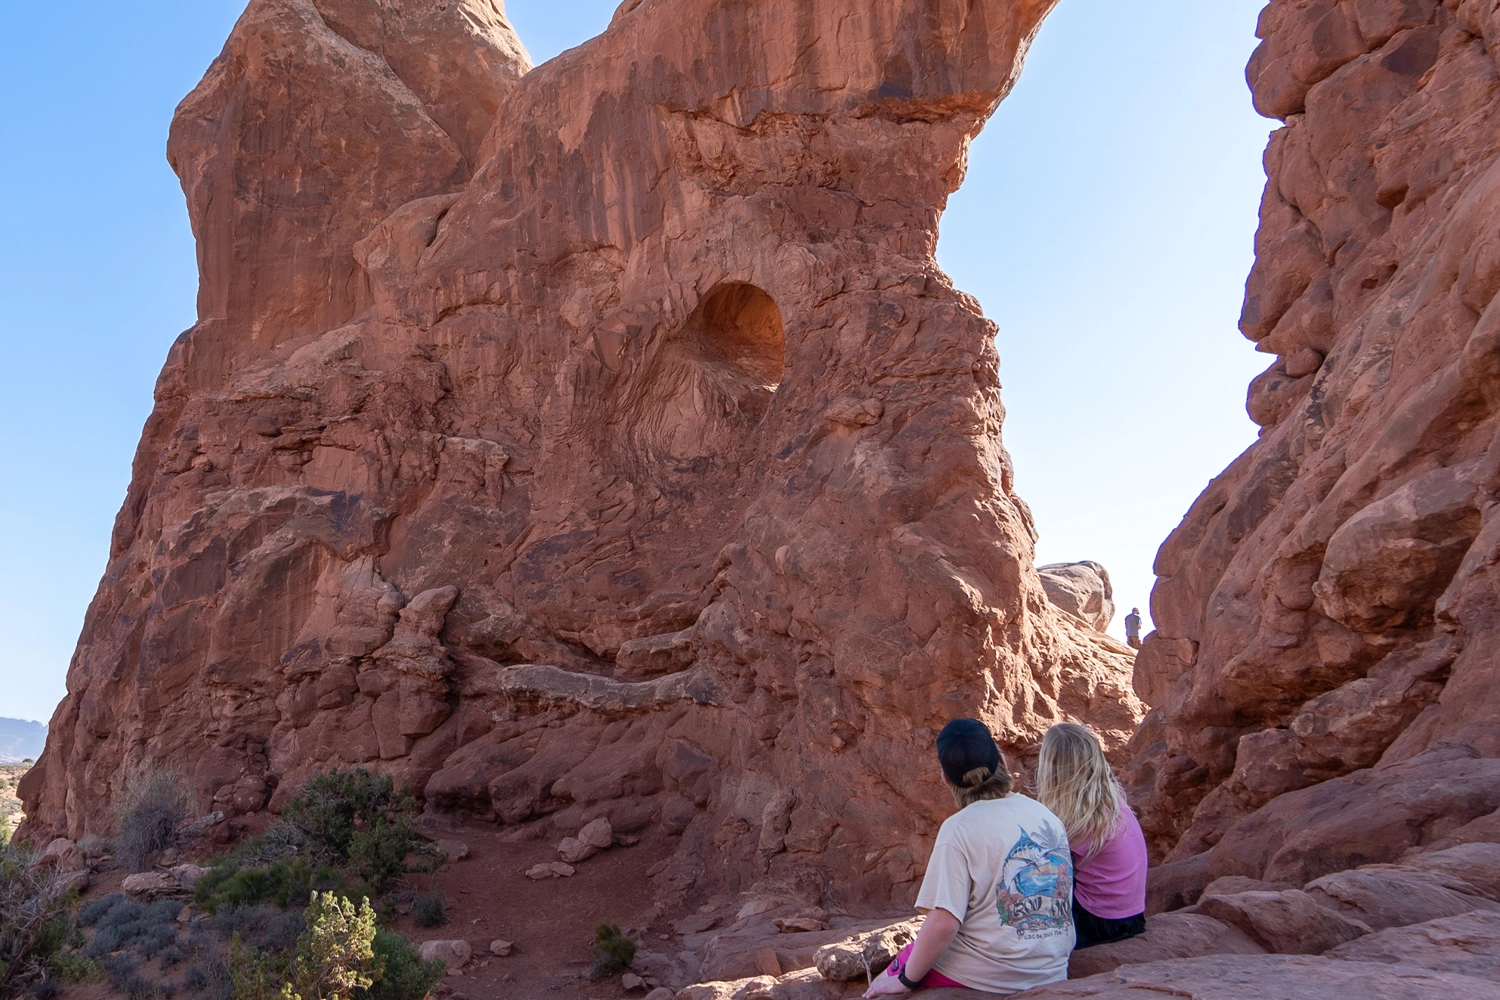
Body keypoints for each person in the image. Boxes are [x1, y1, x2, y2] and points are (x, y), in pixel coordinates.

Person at [865, 719, 1074, 996]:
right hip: (1052, 968)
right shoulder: (1045, 815)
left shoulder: (958, 828)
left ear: (946, 779)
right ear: (1002, 760)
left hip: (993, 975)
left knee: (888, 981)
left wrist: (903, 981)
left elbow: (944, 922)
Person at [1035, 723, 1148, 949]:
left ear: (1052, 770)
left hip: (1101, 921)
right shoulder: (1111, 800)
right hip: (1132, 916)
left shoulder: (1082, 821)